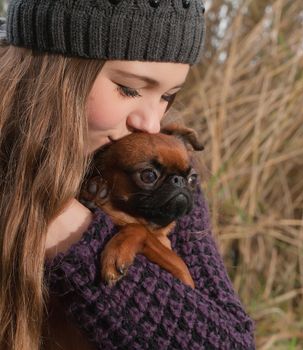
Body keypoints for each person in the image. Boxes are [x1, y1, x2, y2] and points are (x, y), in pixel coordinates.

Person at [0, 1, 255, 349]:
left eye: (168, 96)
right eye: (129, 89)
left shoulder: (158, 173)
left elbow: (228, 343)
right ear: (55, 70)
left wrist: (71, 230)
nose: (151, 122)